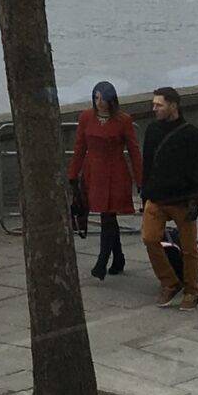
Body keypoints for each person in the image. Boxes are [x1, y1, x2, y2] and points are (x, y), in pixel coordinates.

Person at [138, 87, 198, 308]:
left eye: (159, 105)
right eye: (154, 105)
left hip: (183, 199)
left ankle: (191, 290)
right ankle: (169, 281)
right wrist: (145, 193)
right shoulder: (151, 131)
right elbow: (147, 163)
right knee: (150, 238)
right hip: (156, 196)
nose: (154, 109)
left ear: (173, 105)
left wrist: (196, 201)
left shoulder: (192, 134)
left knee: (189, 249)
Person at [67, 83, 141, 281]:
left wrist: (141, 180)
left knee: (108, 216)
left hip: (115, 172)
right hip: (93, 172)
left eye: (103, 99)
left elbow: (134, 152)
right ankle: (118, 258)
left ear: (112, 100)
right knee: (107, 217)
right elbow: (80, 147)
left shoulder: (124, 120)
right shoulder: (86, 117)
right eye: (96, 98)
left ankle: (102, 260)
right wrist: (73, 174)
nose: (99, 103)